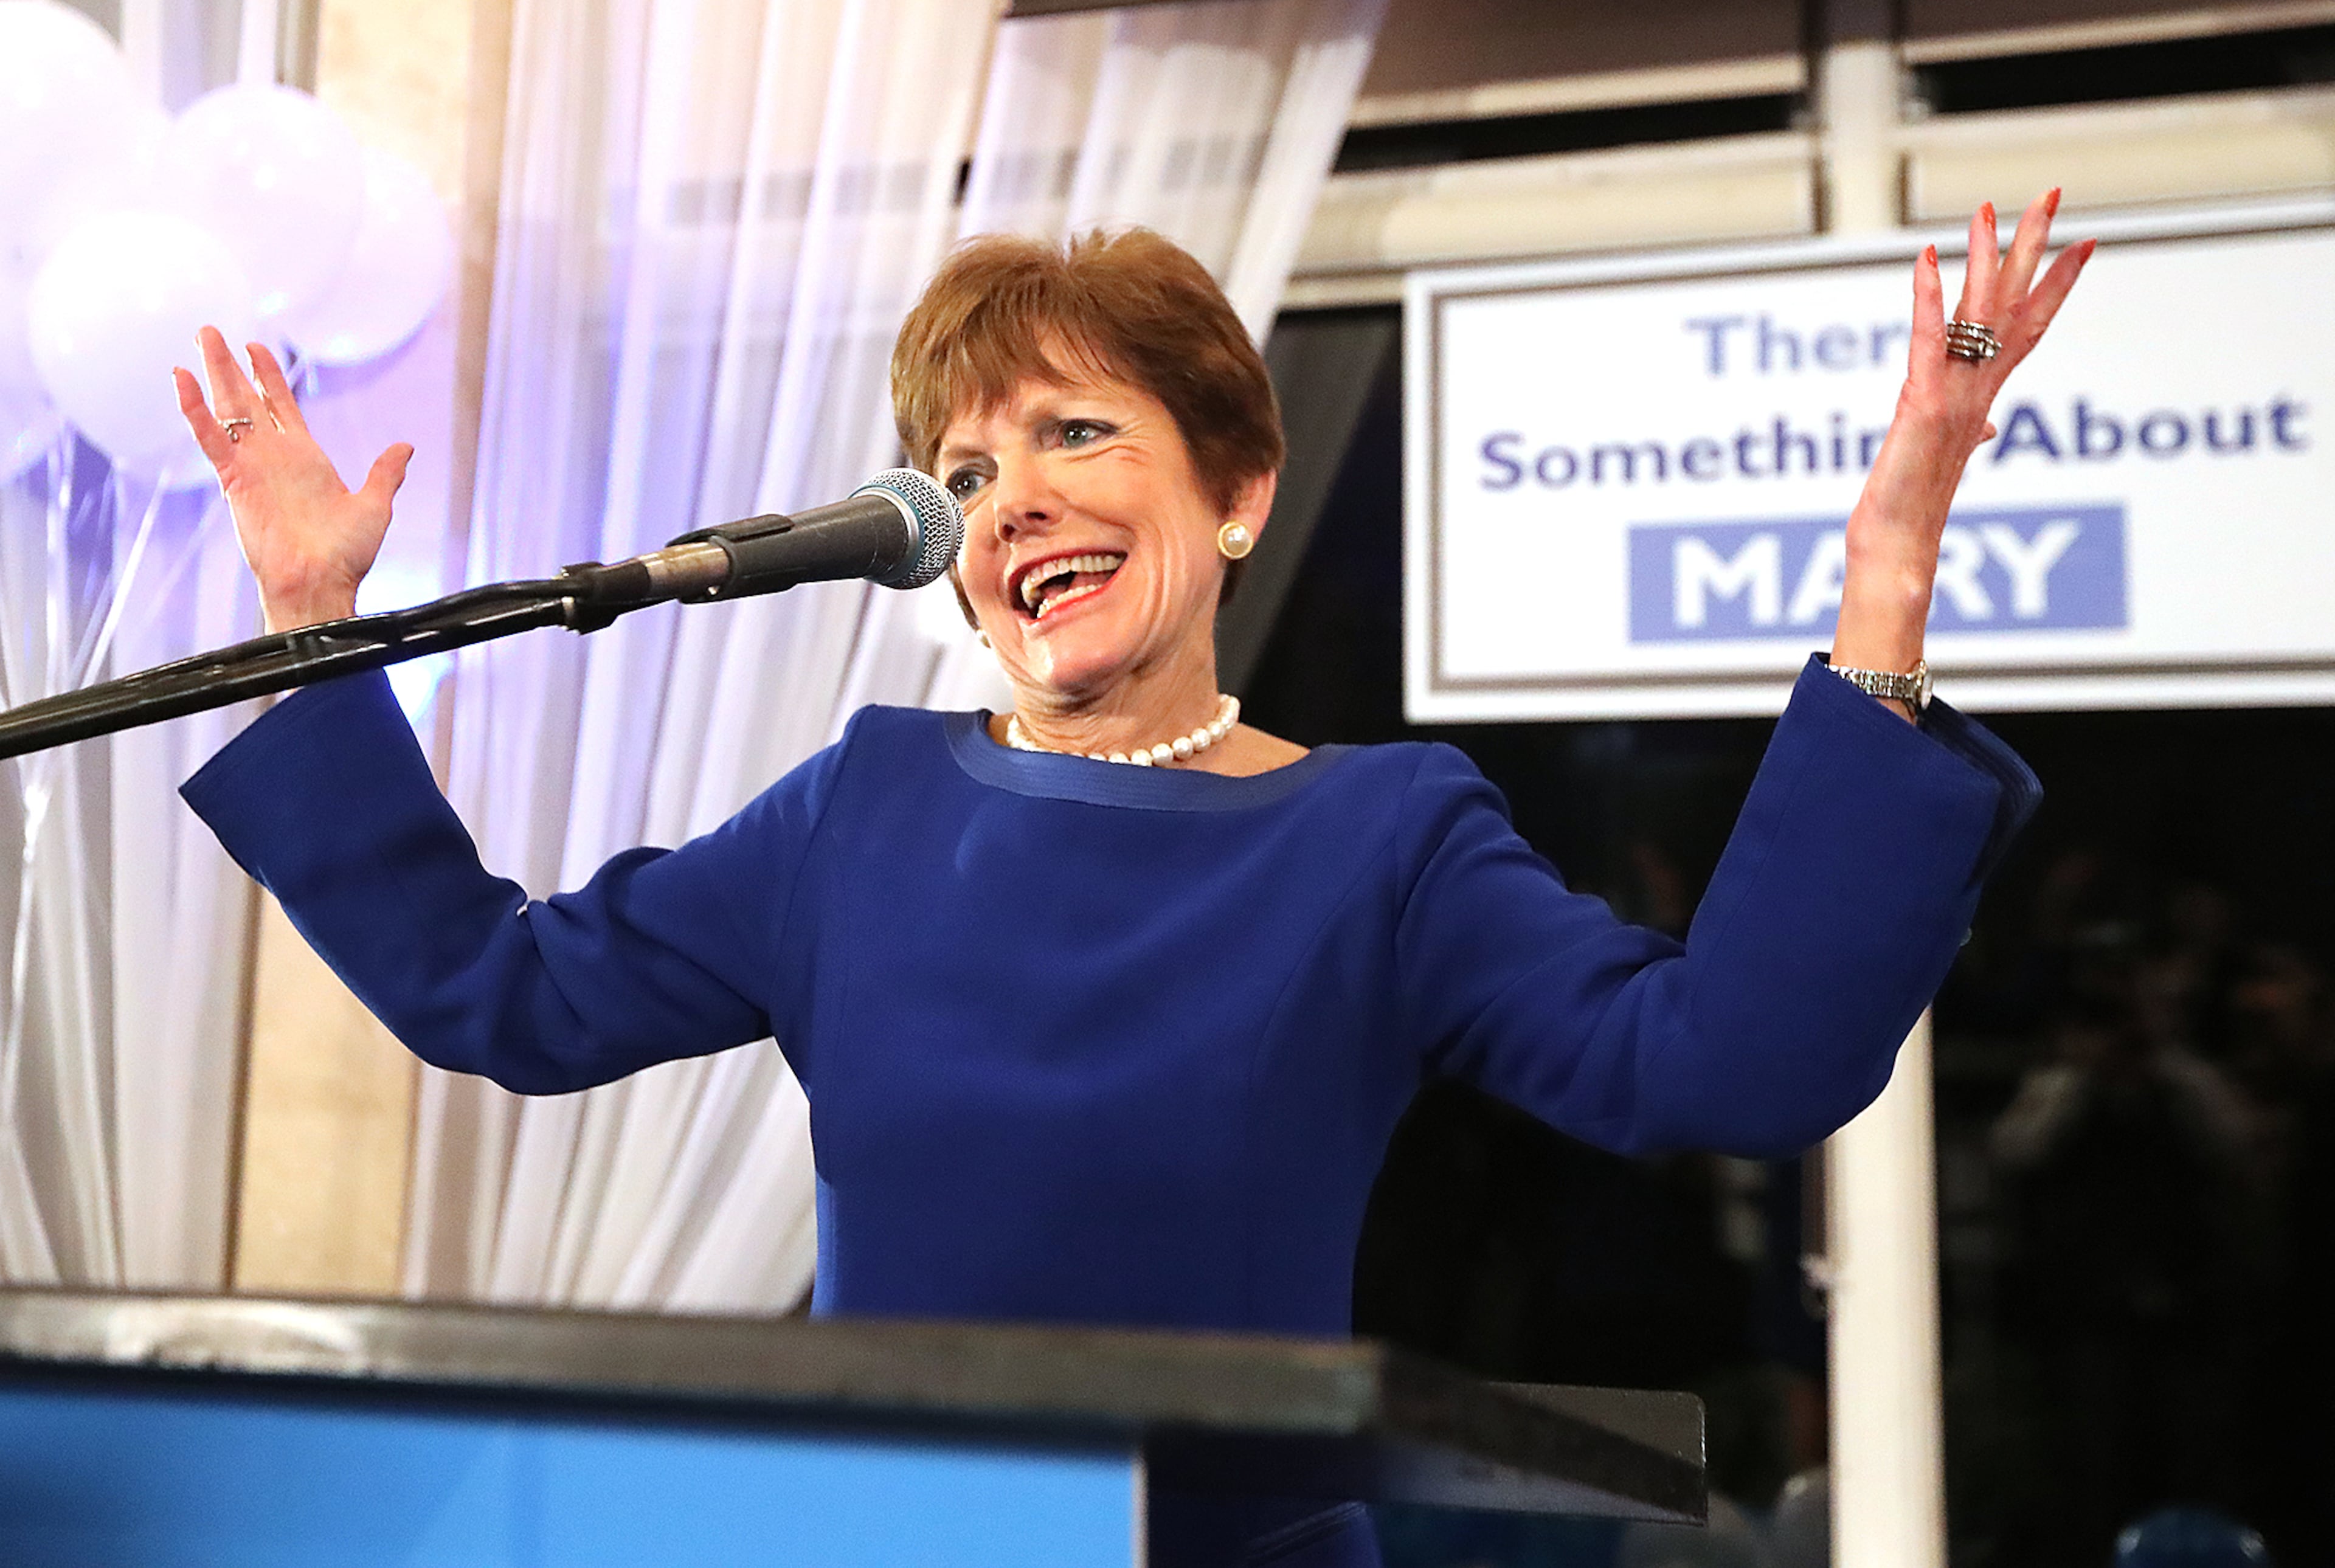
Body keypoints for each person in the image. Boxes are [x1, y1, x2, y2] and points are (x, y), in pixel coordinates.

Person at [171, 194, 2089, 1568]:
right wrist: (314, 620)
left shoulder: (1384, 840)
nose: (1013, 501)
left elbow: (1729, 1060)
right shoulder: (862, 809)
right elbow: (497, 991)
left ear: (1237, 489)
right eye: (968, 469)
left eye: (1077, 432)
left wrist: (1893, 558)